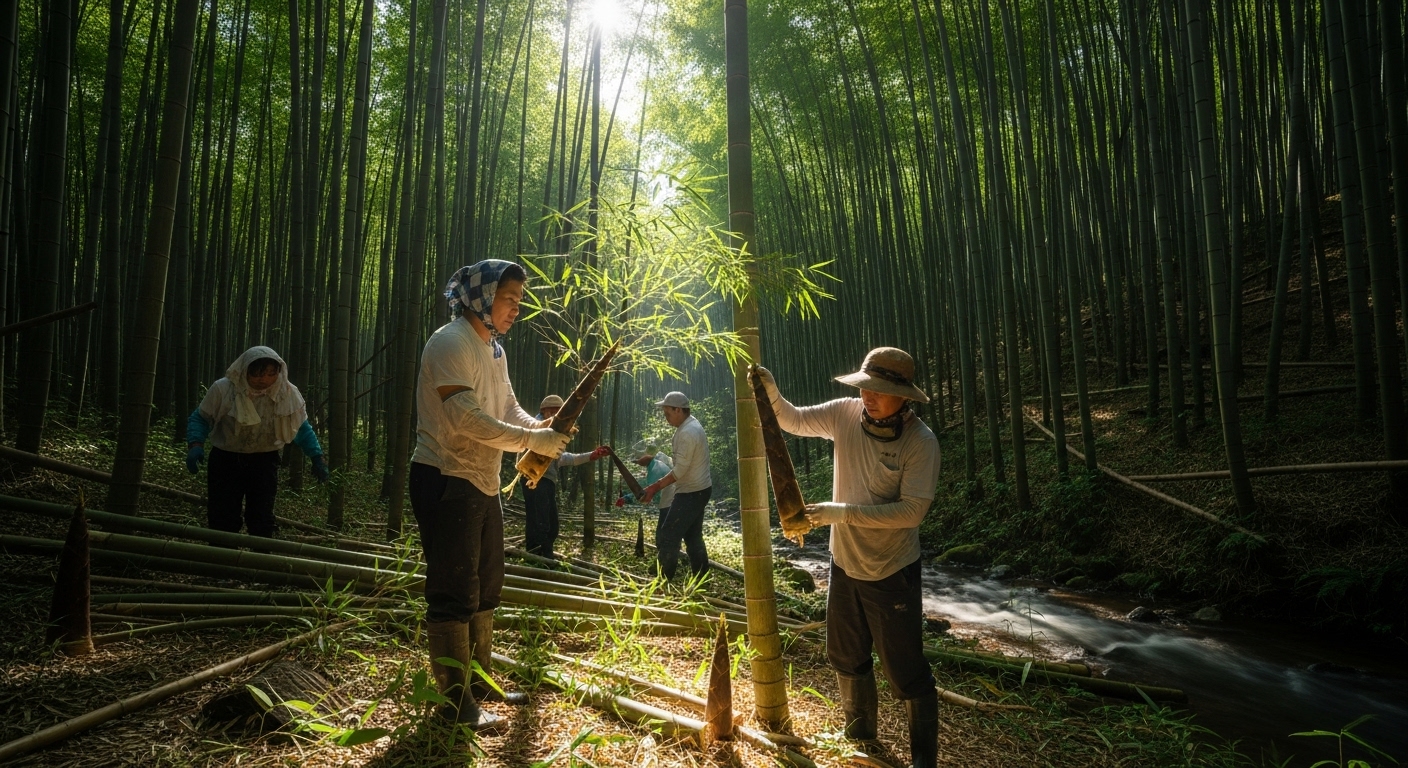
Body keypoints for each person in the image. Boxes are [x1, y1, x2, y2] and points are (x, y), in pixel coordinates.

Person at [752, 347, 941, 768]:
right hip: (845, 564)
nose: (868, 396)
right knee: (846, 656)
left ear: (904, 397)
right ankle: (863, 742)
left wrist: (840, 513)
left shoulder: (920, 442)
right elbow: (793, 419)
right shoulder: (844, 413)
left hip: (891, 570)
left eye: (879, 390)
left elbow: (913, 512)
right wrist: (770, 390)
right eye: (865, 387)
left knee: (906, 672)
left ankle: (924, 761)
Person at [409, 259, 572, 730]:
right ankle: (454, 700)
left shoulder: (494, 351)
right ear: (481, 297)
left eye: (519, 301)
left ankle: (480, 684)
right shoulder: (449, 342)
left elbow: (507, 409)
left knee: (485, 584)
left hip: (481, 479)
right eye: (509, 299)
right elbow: (465, 419)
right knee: (453, 588)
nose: (515, 309)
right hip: (444, 475)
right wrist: (529, 441)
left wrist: (539, 428)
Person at [186, 346, 327, 538]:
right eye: (258, 374)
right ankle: (222, 561)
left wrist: (317, 457)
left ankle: (259, 563)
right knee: (222, 516)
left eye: (271, 374)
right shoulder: (224, 388)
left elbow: (301, 427)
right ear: (245, 371)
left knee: (262, 517)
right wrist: (195, 444)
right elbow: (201, 418)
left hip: (264, 461)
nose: (265, 380)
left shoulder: (286, 393)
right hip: (226, 460)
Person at [522, 393, 610, 559]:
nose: (556, 415)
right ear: (544, 411)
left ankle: (537, 554)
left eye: (559, 411)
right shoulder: (535, 428)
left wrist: (592, 455)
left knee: (550, 524)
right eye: (552, 411)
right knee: (541, 523)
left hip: (547, 481)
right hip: (533, 480)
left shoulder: (557, 431)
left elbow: (562, 458)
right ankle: (541, 557)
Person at [639, 392, 712, 581]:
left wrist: (654, 487)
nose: (666, 418)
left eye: (668, 413)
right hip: (698, 490)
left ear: (678, 410)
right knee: (693, 536)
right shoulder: (688, 425)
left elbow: (679, 471)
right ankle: (701, 578)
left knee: (669, 534)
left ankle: (664, 581)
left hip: (691, 492)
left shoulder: (688, 432)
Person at [614, 441, 675, 517]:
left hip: (669, 505)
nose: (637, 461)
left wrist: (627, 499)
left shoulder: (656, 468)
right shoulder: (655, 464)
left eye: (638, 458)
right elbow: (645, 485)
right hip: (669, 503)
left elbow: (648, 492)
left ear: (647, 455)